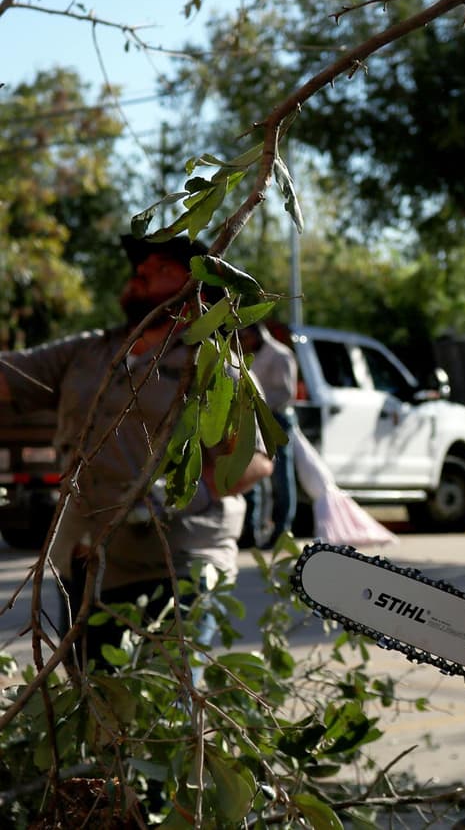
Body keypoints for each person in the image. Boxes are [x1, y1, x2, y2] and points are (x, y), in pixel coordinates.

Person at [0, 234, 273, 673]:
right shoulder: (89, 353)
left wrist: (182, 494)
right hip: (88, 563)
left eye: (161, 268)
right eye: (141, 266)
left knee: (164, 709)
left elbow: (254, 460)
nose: (141, 271)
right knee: (95, 709)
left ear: (196, 294)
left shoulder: (214, 365)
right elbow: (7, 377)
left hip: (179, 562)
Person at [237, 321, 298, 550]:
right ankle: (251, 530)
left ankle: (282, 530)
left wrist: (258, 404)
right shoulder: (247, 355)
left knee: (281, 478)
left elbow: (285, 392)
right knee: (252, 474)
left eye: (245, 336)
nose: (243, 340)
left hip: (276, 419)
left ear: (257, 334)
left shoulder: (280, 355)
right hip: (254, 419)